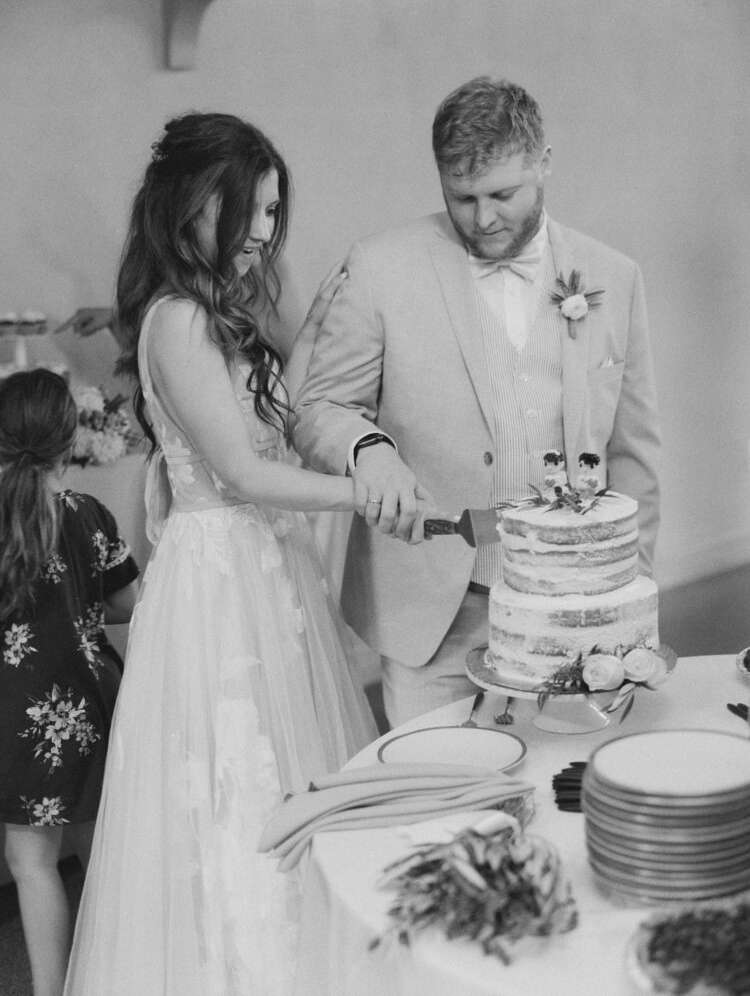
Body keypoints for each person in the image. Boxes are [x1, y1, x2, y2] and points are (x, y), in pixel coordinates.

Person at [63, 112, 377, 996]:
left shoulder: (218, 312)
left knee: (291, 760)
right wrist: (369, 492)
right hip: (221, 577)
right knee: (236, 777)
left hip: (265, 568)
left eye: (275, 212)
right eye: (247, 210)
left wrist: (311, 328)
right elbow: (242, 472)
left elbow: (266, 425)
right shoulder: (175, 320)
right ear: (189, 207)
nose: (263, 232)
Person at [293, 76, 661, 727]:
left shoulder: (614, 276)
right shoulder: (380, 267)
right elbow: (319, 406)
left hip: (575, 608)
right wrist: (368, 449)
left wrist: (627, 594)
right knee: (445, 797)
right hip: (430, 608)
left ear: (544, 161)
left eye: (502, 194)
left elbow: (633, 454)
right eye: (461, 197)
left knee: (566, 785)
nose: (483, 218)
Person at [0, 368, 139, 996]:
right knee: (100, 851)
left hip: (15, 715)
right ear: (68, 441)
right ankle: (131, 968)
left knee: (31, 864)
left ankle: (51, 990)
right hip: (90, 704)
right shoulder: (86, 513)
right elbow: (127, 602)